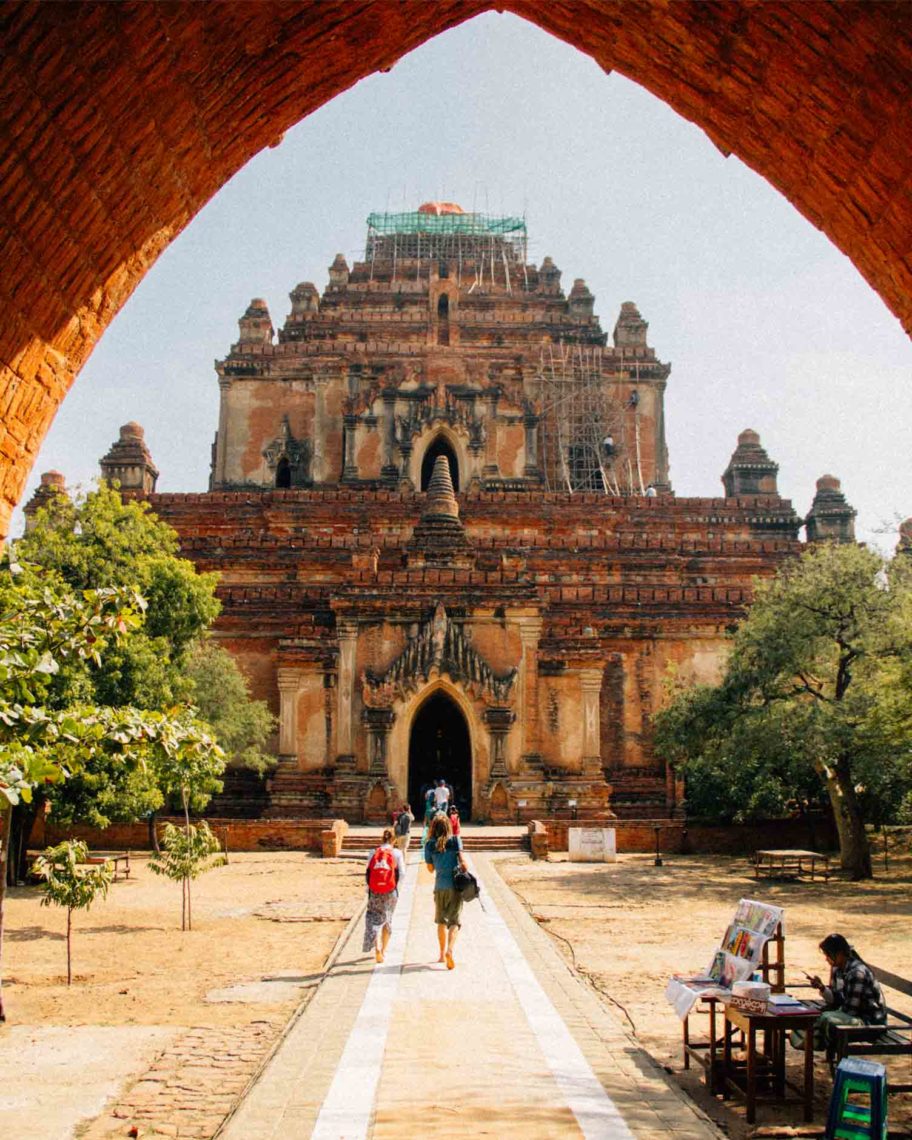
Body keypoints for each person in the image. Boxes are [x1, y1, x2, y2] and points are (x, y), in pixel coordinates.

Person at [798, 932, 887, 1052]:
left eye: (828, 955)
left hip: (870, 1023)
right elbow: (839, 998)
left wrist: (829, 1012)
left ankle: (813, 1042)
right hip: (854, 1015)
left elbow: (851, 1010)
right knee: (813, 1016)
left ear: (839, 954)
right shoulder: (840, 969)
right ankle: (810, 1041)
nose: (826, 959)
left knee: (825, 1019)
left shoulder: (857, 973)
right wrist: (822, 988)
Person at [424, 812, 466, 970]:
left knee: (441, 921)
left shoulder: (429, 844)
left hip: (439, 886)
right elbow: (464, 863)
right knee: (454, 921)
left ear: (433, 827)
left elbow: (430, 869)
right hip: (455, 886)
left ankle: (441, 954)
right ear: (448, 825)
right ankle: (450, 950)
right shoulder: (456, 840)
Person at [362, 828, 405, 964]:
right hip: (390, 890)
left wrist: (369, 888)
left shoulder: (373, 852)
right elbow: (402, 873)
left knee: (374, 917)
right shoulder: (397, 853)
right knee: (387, 918)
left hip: (375, 891)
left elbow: (368, 873)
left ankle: (377, 949)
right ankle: (384, 950)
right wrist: (396, 888)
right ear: (394, 840)